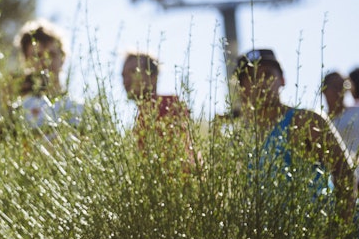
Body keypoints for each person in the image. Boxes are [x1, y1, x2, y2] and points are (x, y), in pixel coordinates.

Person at [228, 49, 354, 214]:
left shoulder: (305, 121)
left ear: (282, 80)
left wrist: (339, 232)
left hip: (319, 232)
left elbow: (344, 173)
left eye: (267, 74)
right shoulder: (239, 139)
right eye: (251, 77)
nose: (260, 82)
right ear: (241, 87)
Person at [120, 50, 197, 172]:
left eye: (134, 72)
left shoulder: (168, 106)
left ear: (153, 77)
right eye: (123, 75)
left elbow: (179, 161)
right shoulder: (142, 117)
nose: (126, 81)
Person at [14, 17, 83, 131]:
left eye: (51, 55)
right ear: (26, 61)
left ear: (63, 58)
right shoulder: (18, 111)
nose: (45, 62)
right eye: (38, 56)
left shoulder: (81, 109)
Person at [320, 70, 359, 159]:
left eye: (342, 86)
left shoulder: (357, 113)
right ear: (324, 90)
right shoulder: (319, 121)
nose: (339, 90)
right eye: (334, 86)